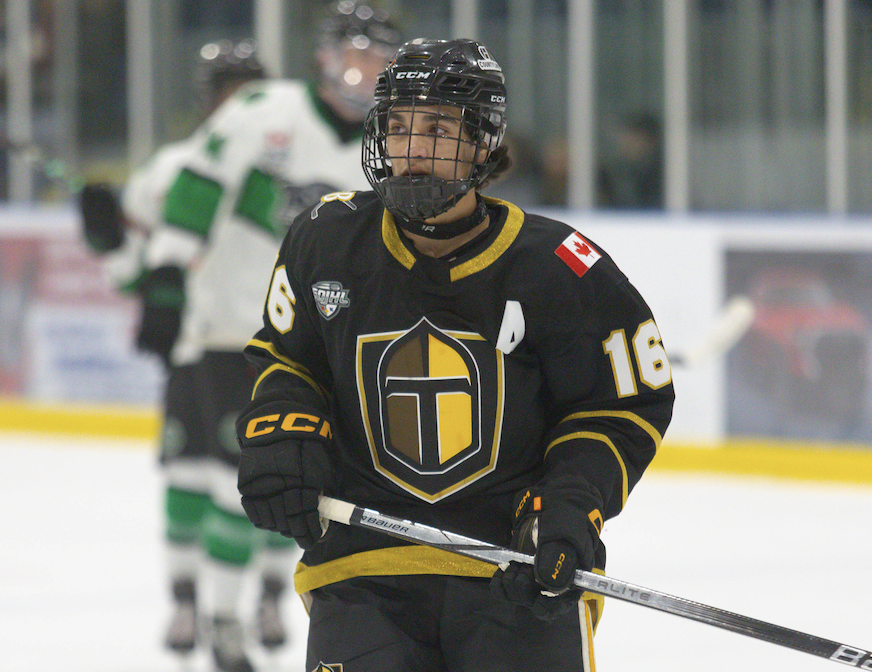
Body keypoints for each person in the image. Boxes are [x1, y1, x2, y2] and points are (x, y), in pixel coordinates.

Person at [235, 37, 675, 672]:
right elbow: (287, 359)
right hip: (363, 567)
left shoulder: (560, 268)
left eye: (437, 130)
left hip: (515, 575)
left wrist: (569, 502)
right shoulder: (326, 241)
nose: (413, 148)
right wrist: (284, 430)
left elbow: (620, 405)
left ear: (484, 144)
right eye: (398, 128)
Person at [133, 4, 401, 672]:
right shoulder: (264, 110)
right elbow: (199, 185)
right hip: (233, 331)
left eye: (377, 59)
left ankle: (268, 601)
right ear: (323, 56)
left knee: (305, 482)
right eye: (354, 54)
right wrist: (166, 274)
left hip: (319, 346)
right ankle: (222, 618)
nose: (363, 71)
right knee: (234, 480)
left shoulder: (392, 139)